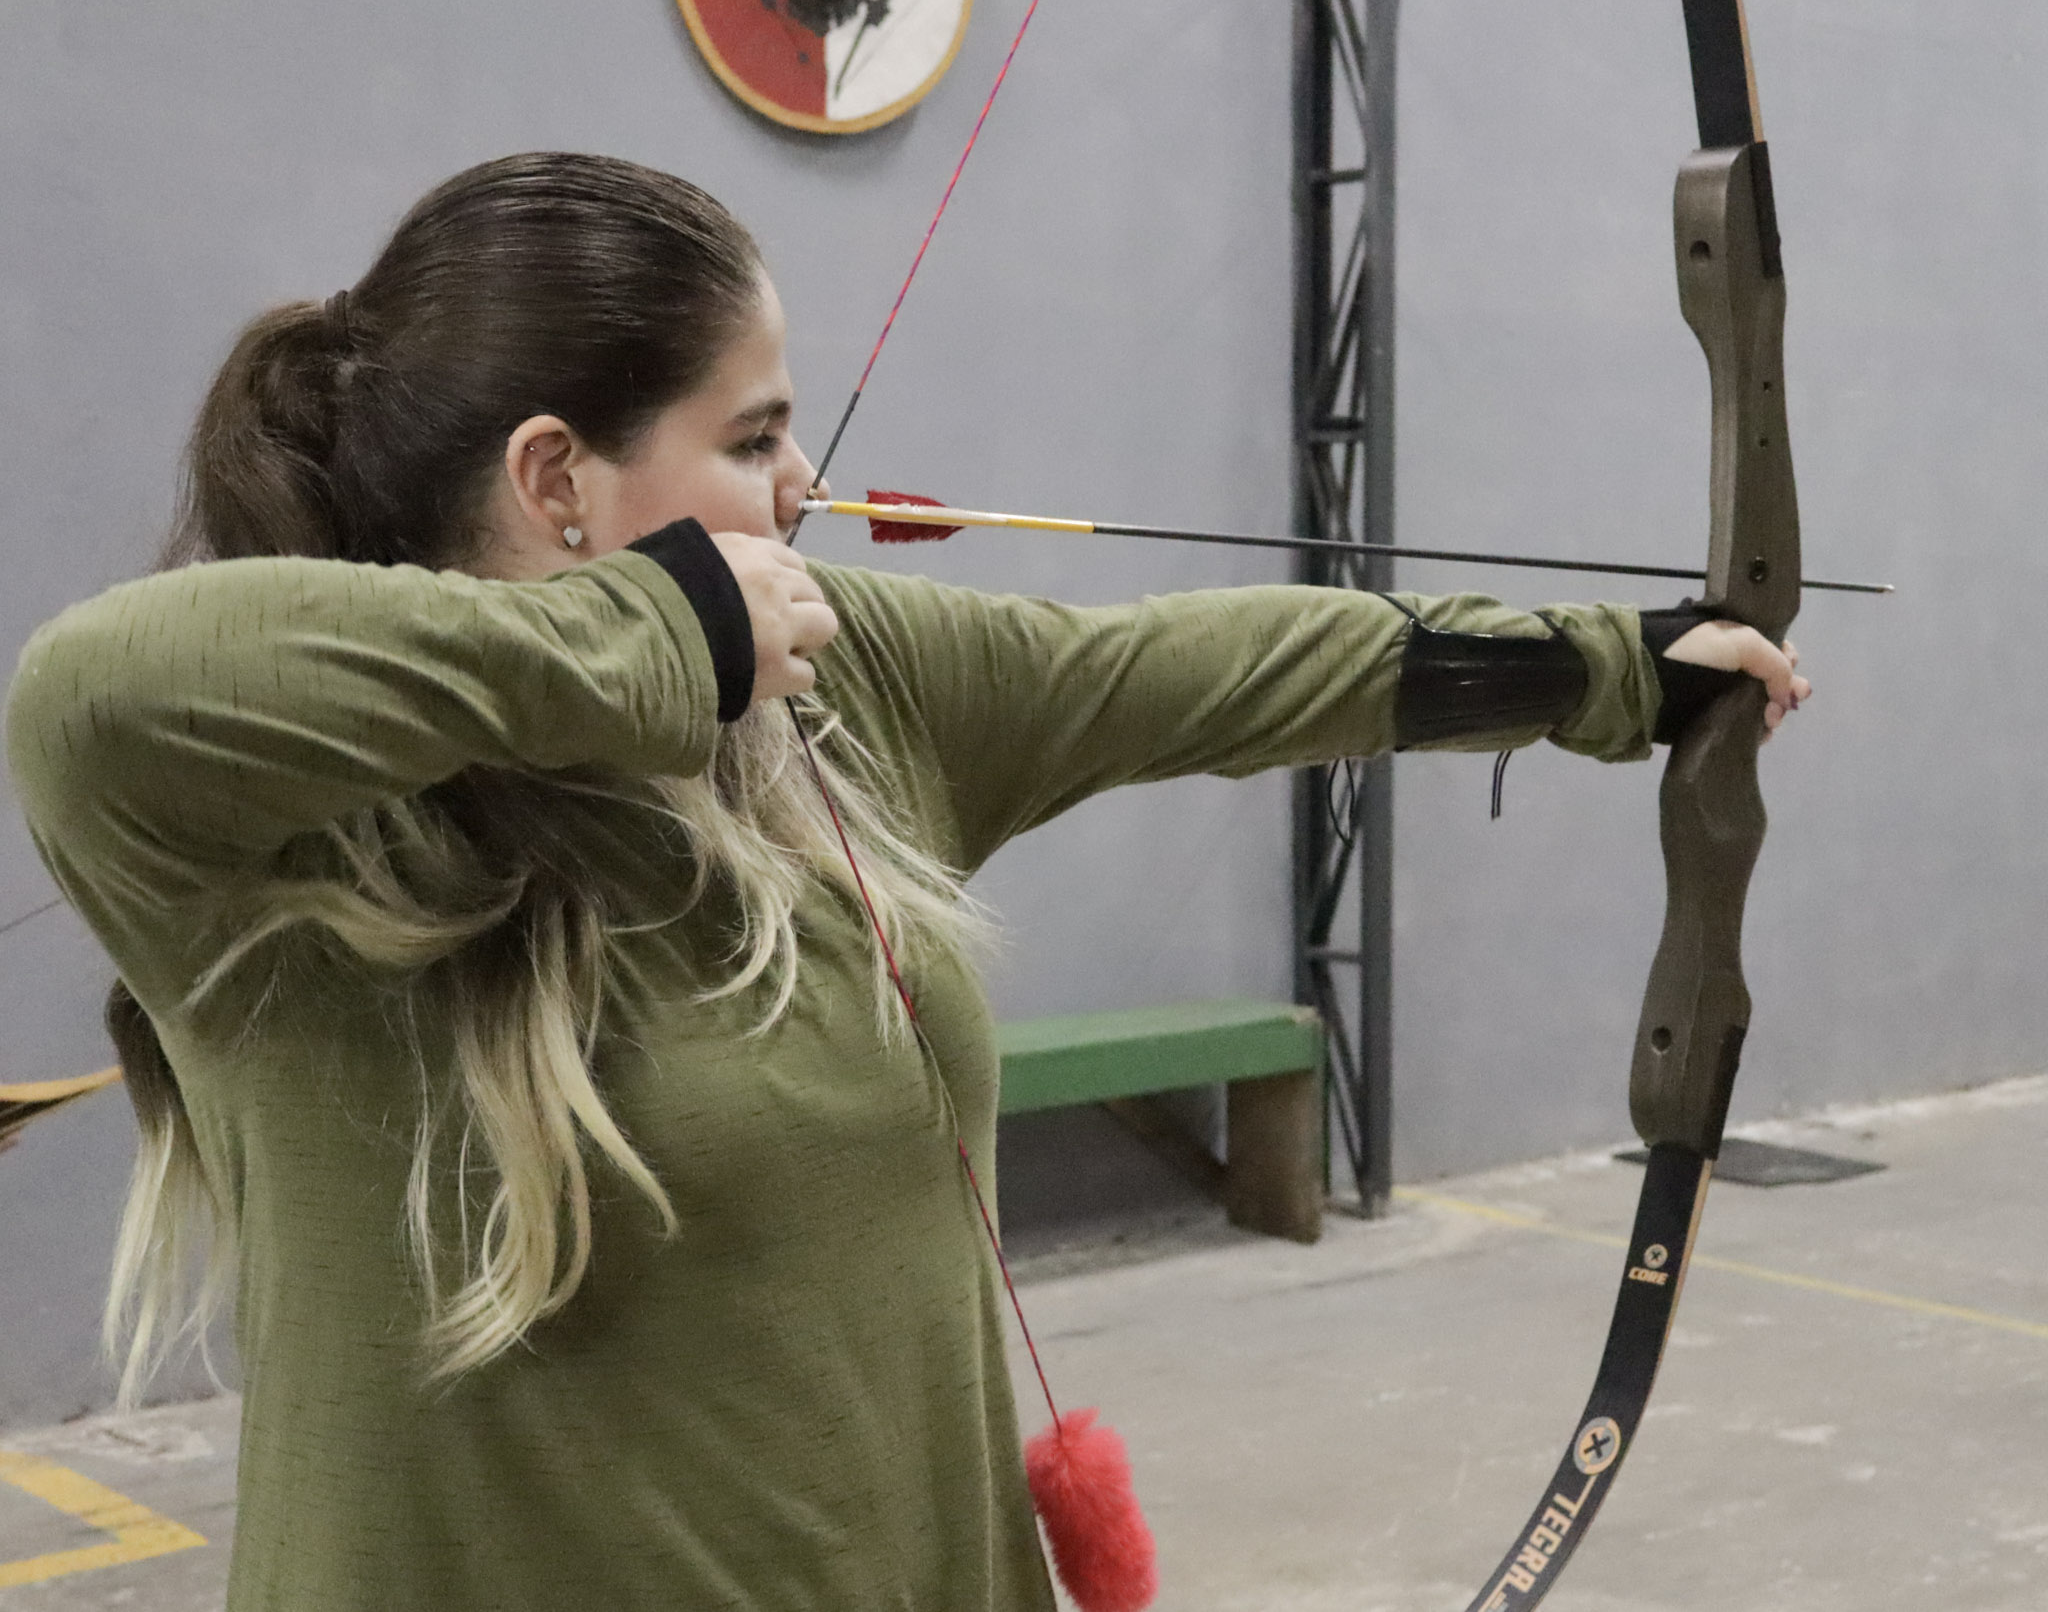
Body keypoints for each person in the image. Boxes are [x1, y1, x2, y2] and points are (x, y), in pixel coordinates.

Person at [3, 153, 1808, 1612]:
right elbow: (85, 689)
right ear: (558, 480)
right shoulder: (274, 832)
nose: (804, 486)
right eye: (751, 438)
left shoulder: (834, 685)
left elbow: (1194, 669)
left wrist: (1615, 668)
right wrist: (636, 641)